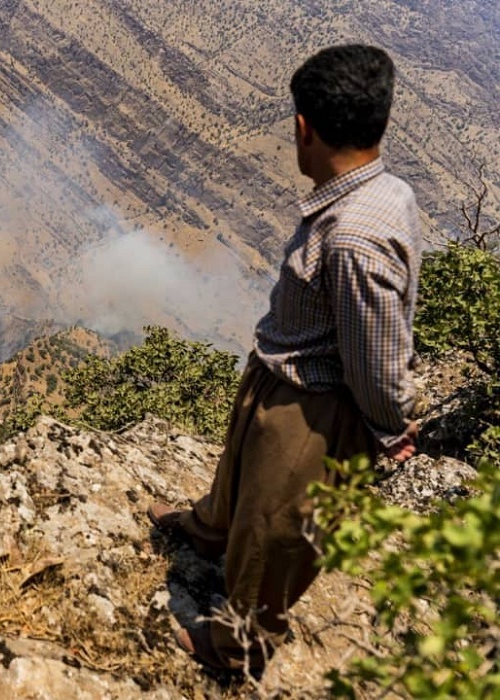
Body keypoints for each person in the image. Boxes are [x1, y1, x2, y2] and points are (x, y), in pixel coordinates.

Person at [150, 44, 422, 672]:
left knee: (275, 523)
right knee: (241, 466)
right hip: (284, 376)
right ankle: (209, 528)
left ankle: (236, 649)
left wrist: (389, 425)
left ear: (304, 129)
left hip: (314, 408)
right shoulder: (387, 192)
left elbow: (375, 361)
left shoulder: (353, 237)